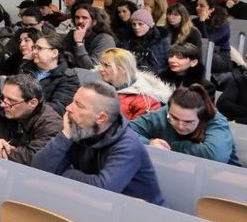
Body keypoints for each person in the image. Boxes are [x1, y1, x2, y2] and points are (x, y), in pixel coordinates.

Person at [32, 82, 165, 205]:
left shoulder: (128, 146)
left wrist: (61, 173)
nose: (68, 108)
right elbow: (38, 167)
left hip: (141, 214)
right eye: (73, 101)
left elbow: (102, 190)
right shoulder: (77, 128)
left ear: (101, 118)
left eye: (79, 105)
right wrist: (65, 135)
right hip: (98, 206)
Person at [0, 74, 63, 165]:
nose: (3, 104)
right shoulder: (3, 110)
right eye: (3, 97)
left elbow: (31, 159)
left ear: (32, 103)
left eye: (11, 100)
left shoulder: (52, 125)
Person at [130, 85, 239, 165]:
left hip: (224, 178)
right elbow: (126, 131)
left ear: (201, 117)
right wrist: (149, 143)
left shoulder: (215, 120)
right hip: (178, 172)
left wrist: (172, 146)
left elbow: (215, 155)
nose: (180, 126)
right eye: (174, 118)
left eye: (188, 122)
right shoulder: (164, 113)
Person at [97, 48, 171, 121]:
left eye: (106, 65)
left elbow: (140, 128)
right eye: (101, 64)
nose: (100, 69)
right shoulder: (100, 87)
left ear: (122, 68)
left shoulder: (145, 101)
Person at [21, 34, 79, 116]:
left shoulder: (68, 78)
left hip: (42, 119)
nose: (34, 52)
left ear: (54, 53)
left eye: (39, 48)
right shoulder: (26, 69)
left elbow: (59, 108)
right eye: (34, 47)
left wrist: (25, 107)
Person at [60, 3, 116, 69]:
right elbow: (60, 53)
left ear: (94, 22)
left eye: (84, 18)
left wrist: (79, 43)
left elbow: (92, 69)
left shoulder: (105, 39)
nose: (80, 21)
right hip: (72, 73)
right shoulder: (72, 33)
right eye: (77, 17)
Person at [118, 9, 169, 74]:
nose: (136, 27)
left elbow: (165, 64)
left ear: (149, 25)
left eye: (140, 24)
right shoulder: (125, 39)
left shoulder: (162, 41)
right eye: (133, 24)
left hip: (155, 76)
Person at [194, 0, 232, 76]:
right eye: (197, 5)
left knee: (194, 57)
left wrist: (202, 21)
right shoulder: (195, 21)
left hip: (221, 57)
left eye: (201, 6)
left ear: (211, 9)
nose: (197, 8)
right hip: (201, 52)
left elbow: (208, 42)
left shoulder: (223, 23)